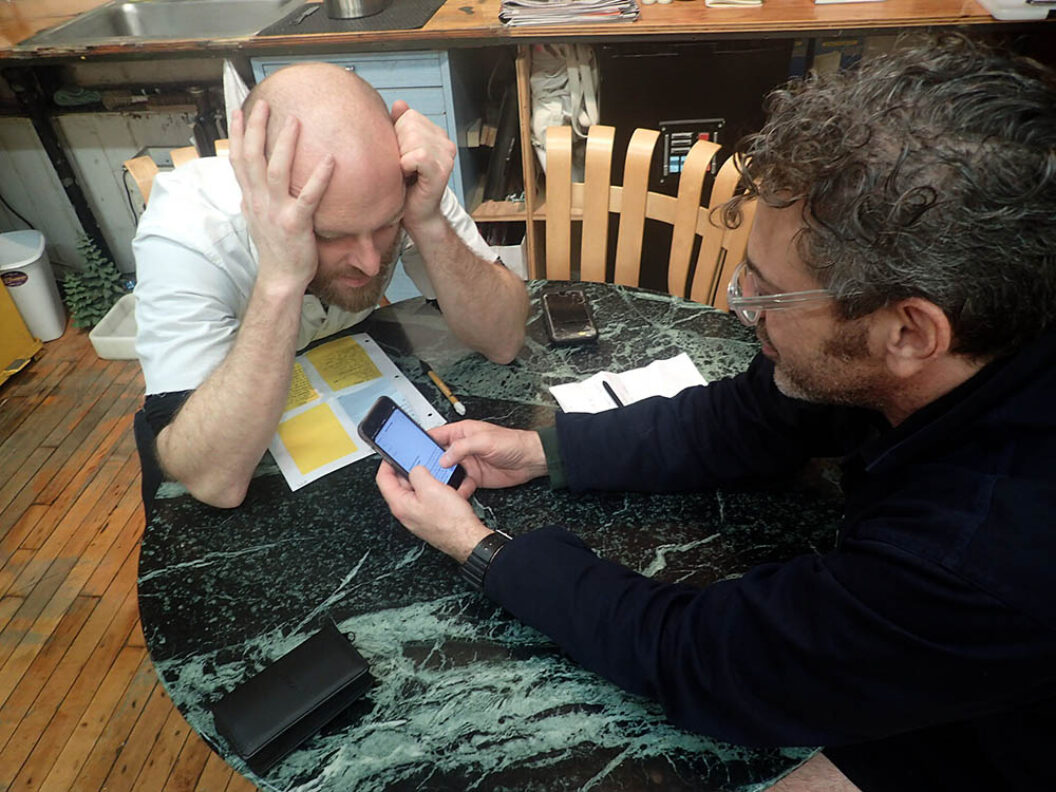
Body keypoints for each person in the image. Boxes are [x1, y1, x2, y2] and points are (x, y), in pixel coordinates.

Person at [374, 37, 1056, 791]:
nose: (741, 309)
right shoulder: (976, 325)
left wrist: (484, 549)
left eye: (766, 292)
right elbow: (752, 418)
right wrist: (547, 449)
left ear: (909, 333)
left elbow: (710, 663)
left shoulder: (980, 553)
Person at [132, 62, 529, 510]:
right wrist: (281, 278)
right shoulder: (187, 230)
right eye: (329, 234)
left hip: (349, 397)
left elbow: (504, 339)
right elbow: (213, 480)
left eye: (385, 226)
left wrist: (429, 222)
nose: (371, 261)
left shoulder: (395, 179)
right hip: (228, 412)